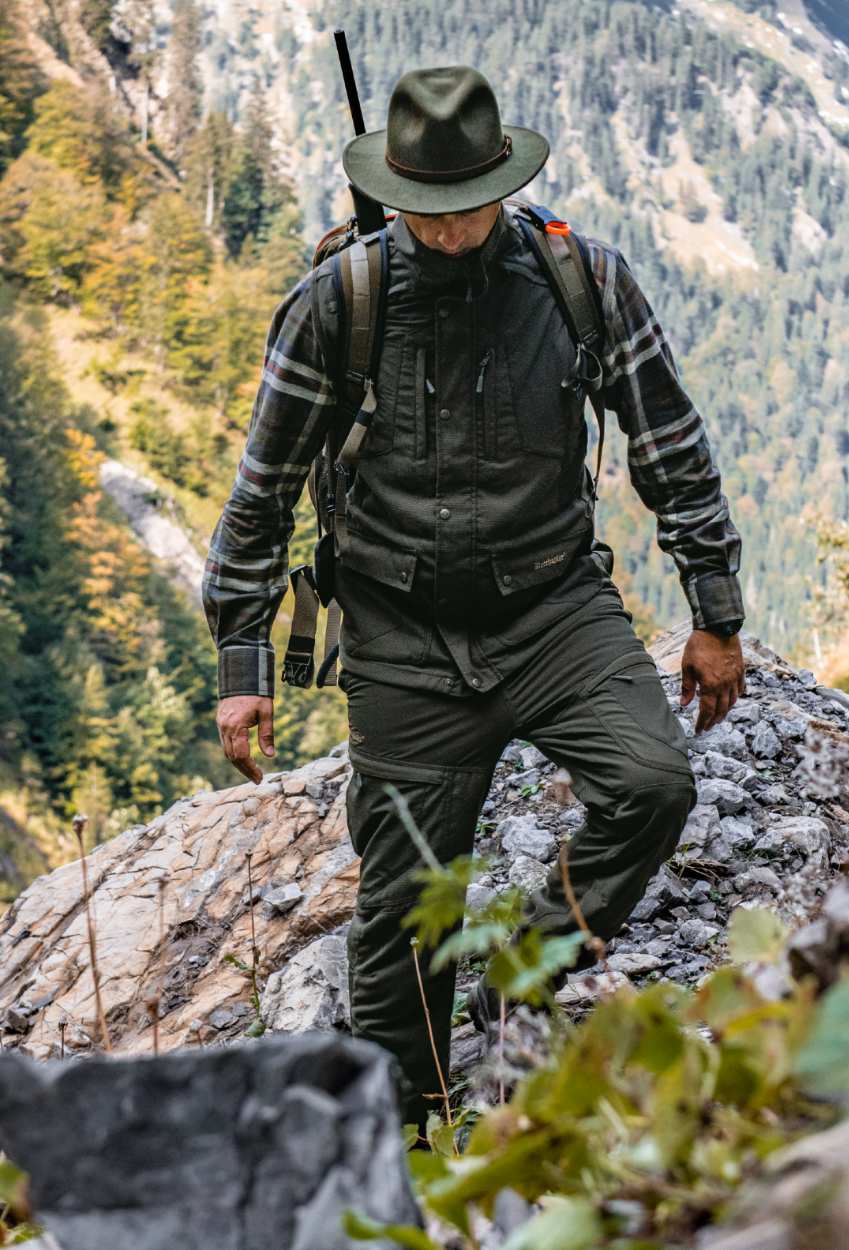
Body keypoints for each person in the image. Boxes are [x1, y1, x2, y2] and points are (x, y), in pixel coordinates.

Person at [203, 65, 746, 1127]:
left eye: (466, 207)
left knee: (652, 783)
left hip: (554, 611)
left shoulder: (579, 279)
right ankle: (417, 1131)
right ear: (395, 193)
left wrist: (714, 610)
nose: (448, 230)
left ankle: (522, 971)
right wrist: (243, 665)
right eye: (426, 210)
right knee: (402, 903)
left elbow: (669, 442)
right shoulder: (335, 304)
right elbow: (261, 487)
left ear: (502, 181)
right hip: (400, 633)